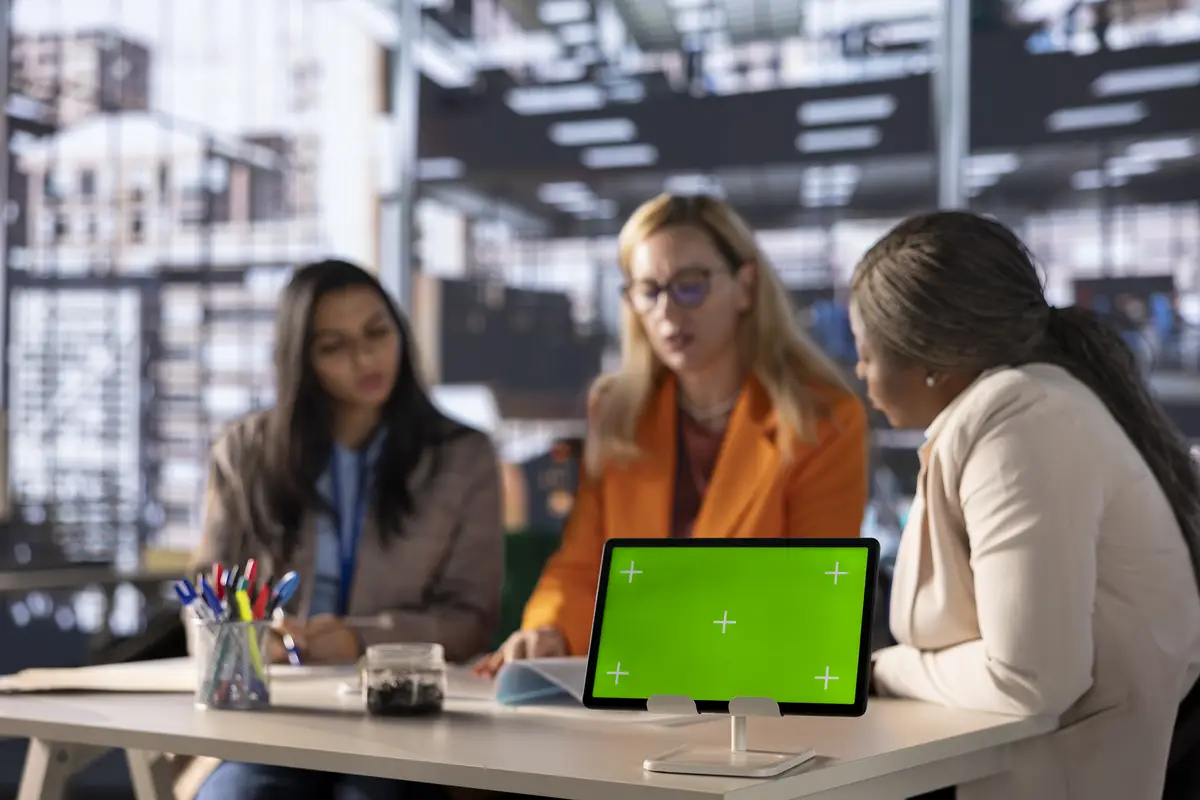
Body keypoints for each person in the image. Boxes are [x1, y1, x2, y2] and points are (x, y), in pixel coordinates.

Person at [850, 211, 1200, 800]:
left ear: (929, 356)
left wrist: (885, 670)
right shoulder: (1029, 405)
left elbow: (1031, 679)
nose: (860, 372)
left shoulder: (1020, 424)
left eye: (866, 352)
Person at [478, 194, 868, 673]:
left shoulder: (823, 419)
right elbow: (582, 564)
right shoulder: (619, 413)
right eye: (648, 290)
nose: (667, 311)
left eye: (691, 285)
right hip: (638, 697)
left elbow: (818, 595)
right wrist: (550, 630)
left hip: (759, 695)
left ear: (745, 287)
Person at [182, 259, 503, 800]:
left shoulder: (461, 457)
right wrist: (247, 643)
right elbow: (206, 594)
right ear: (302, 360)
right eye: (334, 346)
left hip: (403, 716)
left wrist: (361, 639)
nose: (365, 358)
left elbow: (470, 621)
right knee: (239, 794)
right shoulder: (245, 452)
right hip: (275, 715)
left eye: (377, 333)